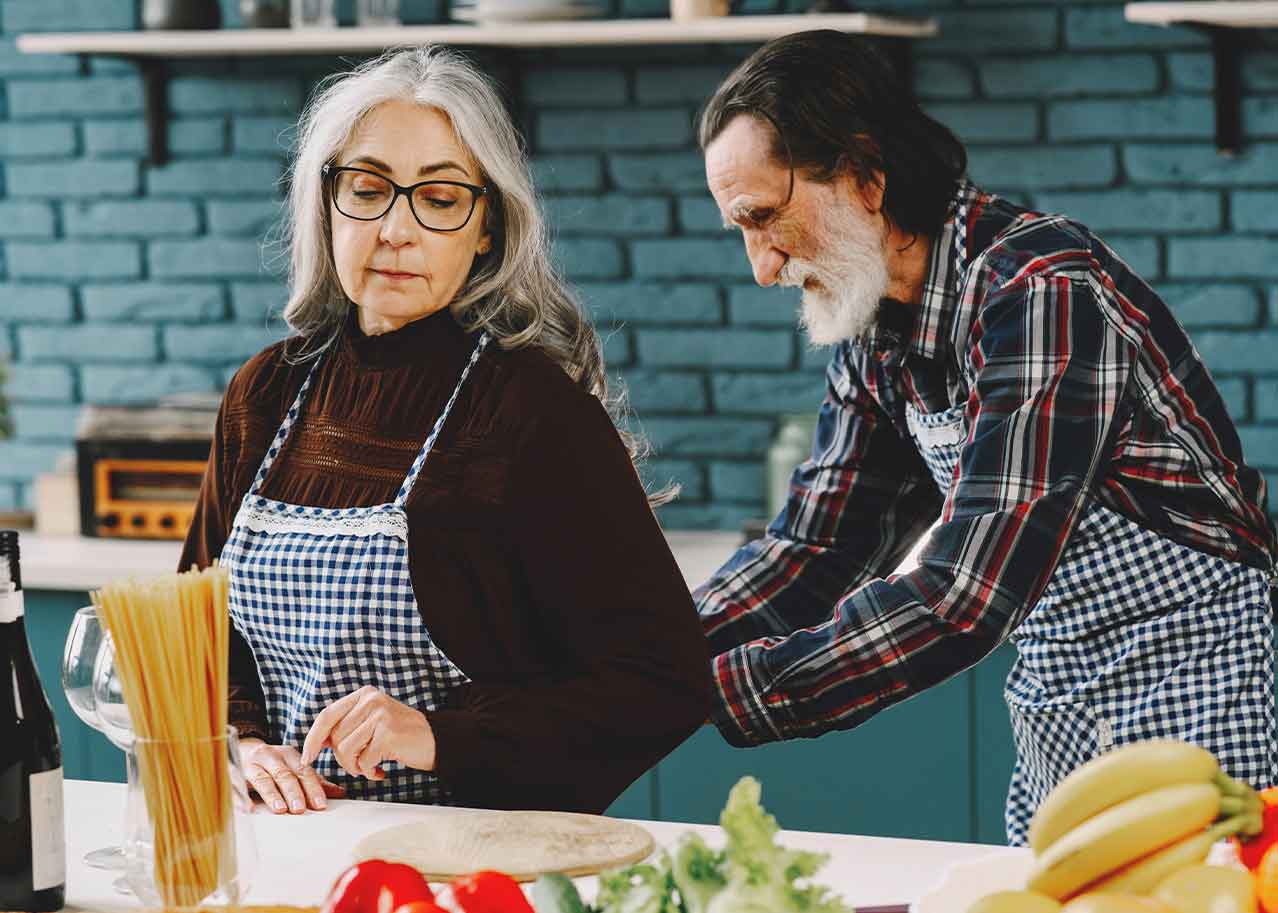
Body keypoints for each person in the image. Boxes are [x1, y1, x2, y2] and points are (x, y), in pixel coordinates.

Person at [694, 29, 1278, 844]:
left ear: (865, 176)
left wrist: (720, 689)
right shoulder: (878, 329)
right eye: (742, 231)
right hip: (1057, 701)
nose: (762, 267)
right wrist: (654, 658)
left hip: (1202, 683)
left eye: (766, 217)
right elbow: (814, 546)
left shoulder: (1039, 293)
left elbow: (966, 593)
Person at [180, 45, 710, 815]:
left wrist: (439, 736)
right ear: (324, 205)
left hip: (479, 863)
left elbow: (663, 680)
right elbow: (194, 639)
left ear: (486, 227)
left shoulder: (533, 411)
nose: (396, 228)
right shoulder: (266, 393)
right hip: (288, 850)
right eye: (367, 188)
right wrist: (238, 743)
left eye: (438, 198)